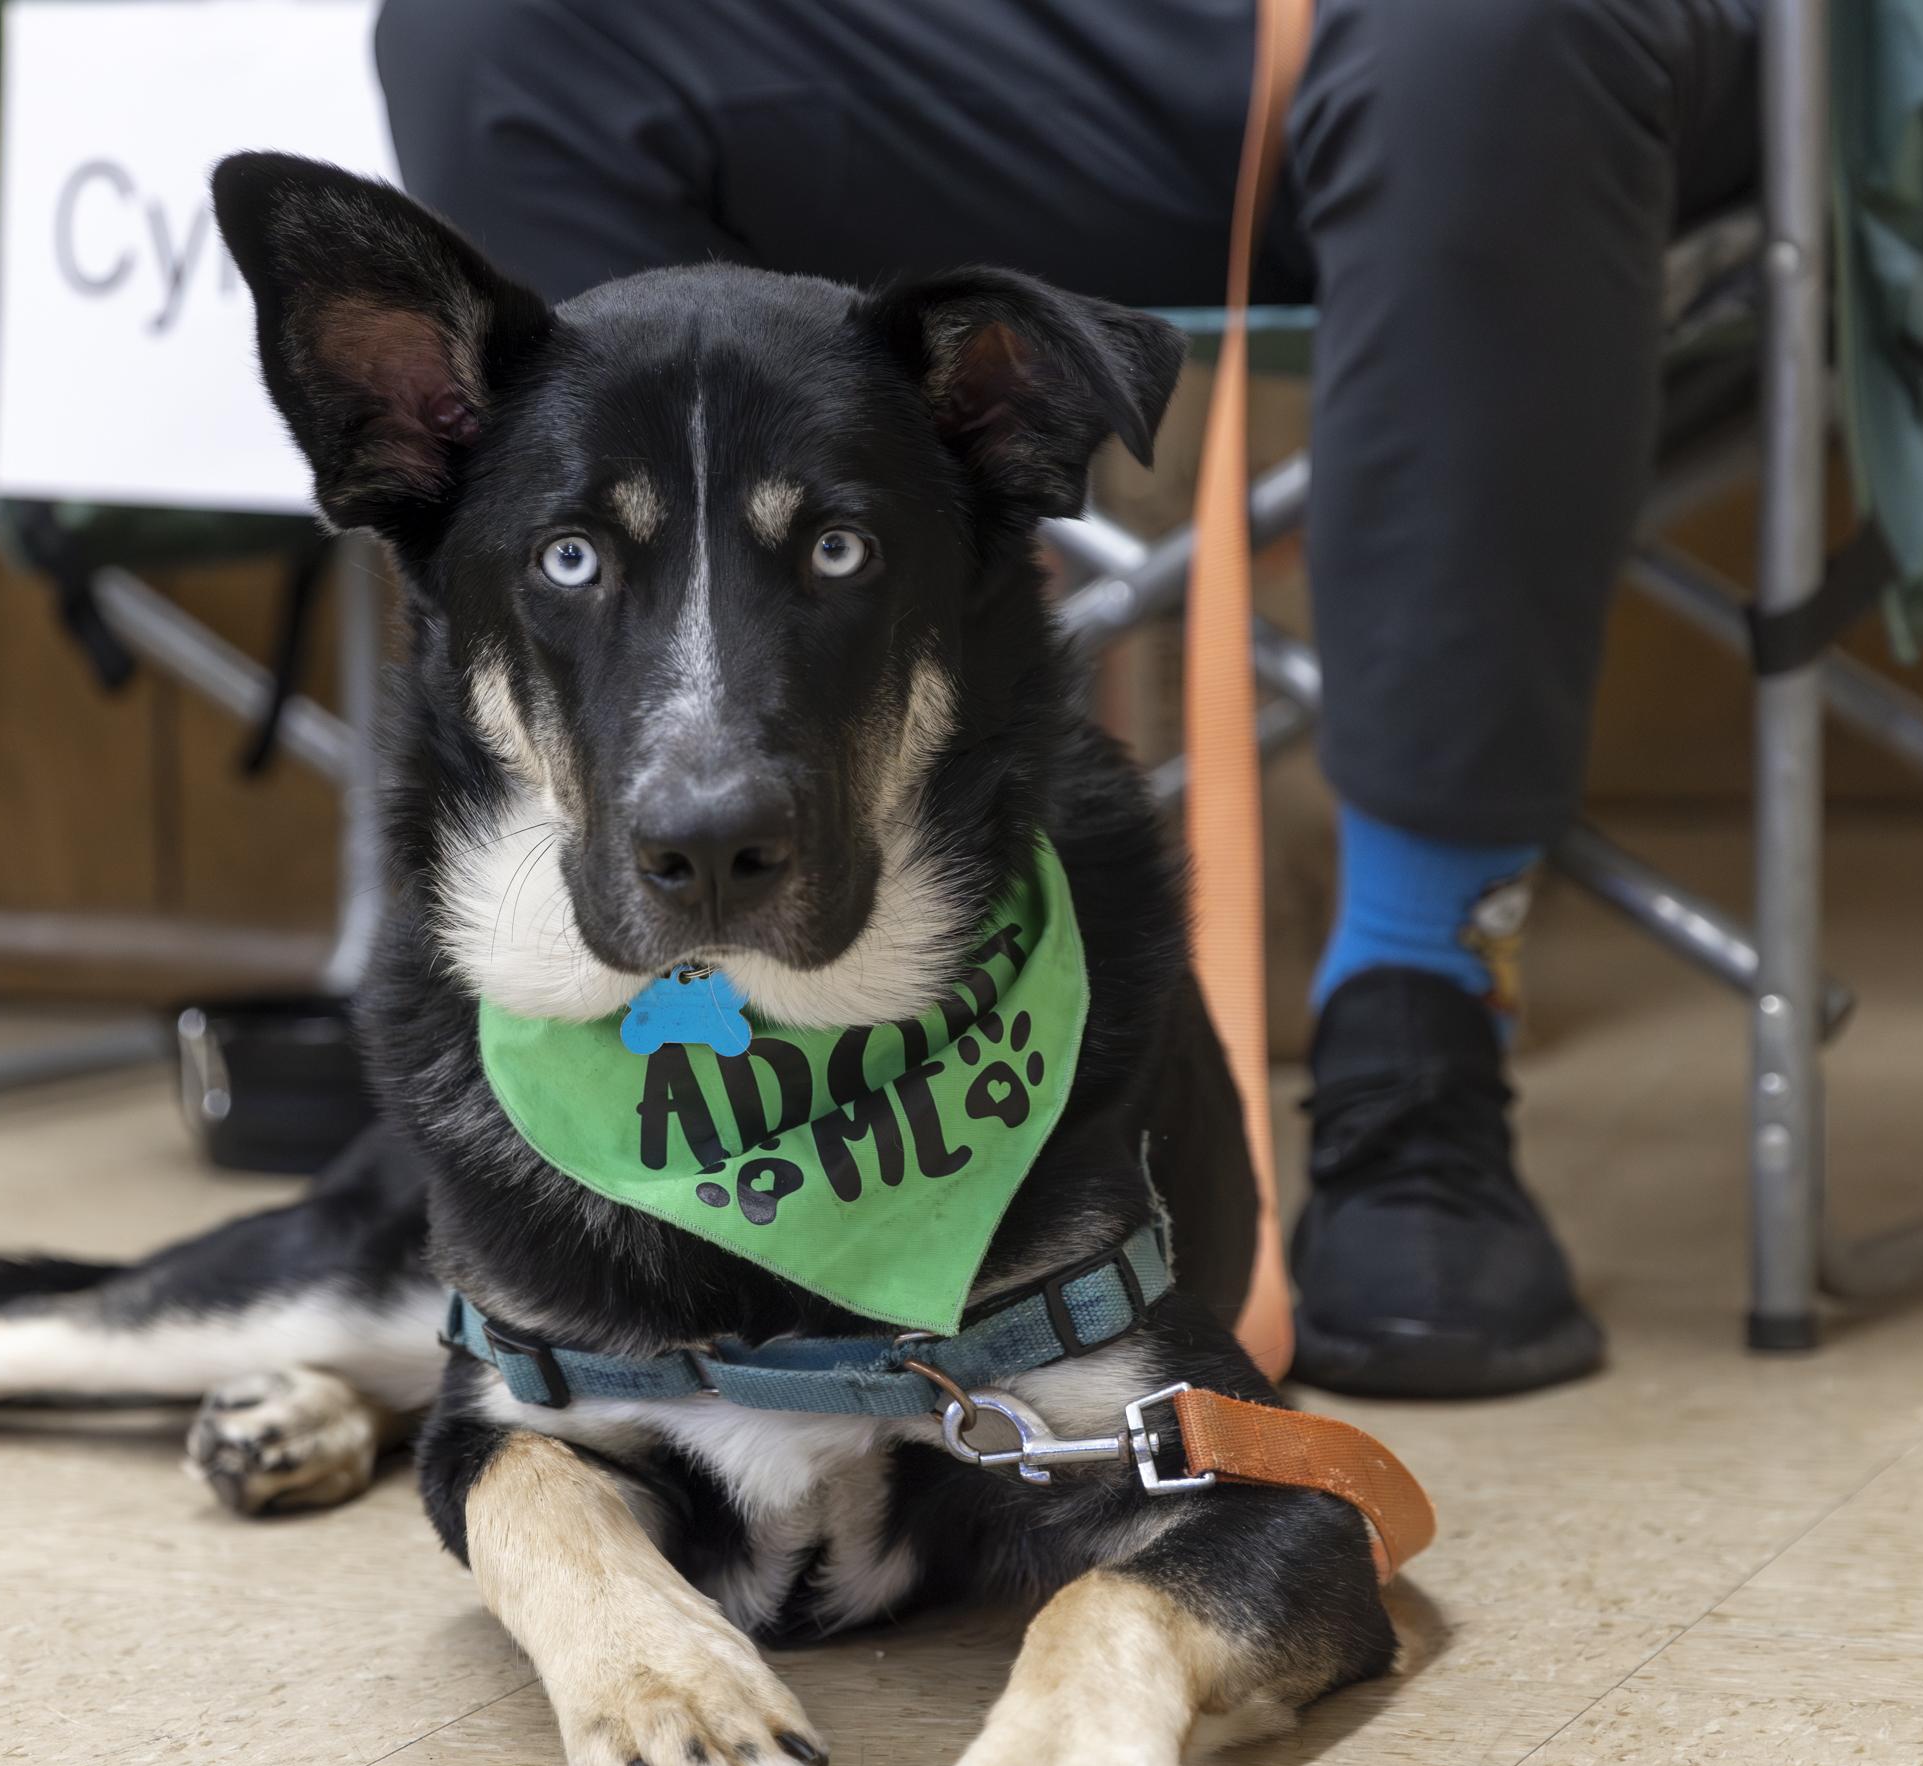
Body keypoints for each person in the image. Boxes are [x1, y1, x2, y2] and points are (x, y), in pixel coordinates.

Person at [372, 0, 1768, 1398]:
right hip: (1065, 54)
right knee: (497, 36)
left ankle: (1425, 1023)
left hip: (1525, 55)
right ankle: (635, 1028)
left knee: (1486, 30)